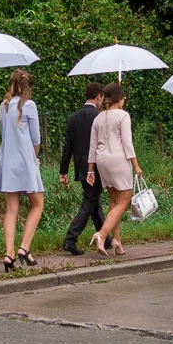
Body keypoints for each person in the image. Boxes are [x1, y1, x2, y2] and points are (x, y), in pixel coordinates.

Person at [0, 70, 44, 272]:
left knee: (11, 209)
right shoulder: (29, 106)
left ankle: (9, 253)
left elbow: (3, 133)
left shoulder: (3, 106)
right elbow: (36, 138)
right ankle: (24, 247)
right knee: (37, 204)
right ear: (27, 88)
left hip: (7, 162)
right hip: (25, 160)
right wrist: (35, 157)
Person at [86, 83, 142, 257]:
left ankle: (117, 242)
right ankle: (102, 235)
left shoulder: (98, 118)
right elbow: (127, 142)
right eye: (124, 98)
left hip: (102, 161)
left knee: (114, 201)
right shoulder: (123, 116)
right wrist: (136, 165)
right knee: (124, 201)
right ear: (119, 99)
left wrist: (90, 170)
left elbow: (92, 146)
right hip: (118, 160)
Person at [59, 82, 112, 255]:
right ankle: (70, 239)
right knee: (89, 201)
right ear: (99, 96)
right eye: (102, 98)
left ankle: (106, 238)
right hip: (95, 165)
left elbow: (68, 147)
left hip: (80, 165)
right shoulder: (100, 117)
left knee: (93, 200)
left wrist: (63, 170)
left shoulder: (73, 118)